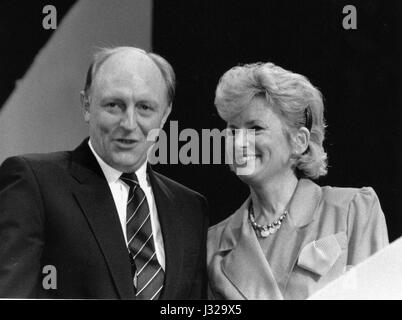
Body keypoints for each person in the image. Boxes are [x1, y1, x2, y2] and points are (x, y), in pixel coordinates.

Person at [0, 46, 208, 299]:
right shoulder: (35, 182)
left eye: (144, 107)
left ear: (164, 116)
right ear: (86, 105)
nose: (129, 124)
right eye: (114, 105)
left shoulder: (189, 207)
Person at [207, 62, 389, 300]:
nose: (239, 142)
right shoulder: (213, 245)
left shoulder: (353, 209)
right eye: (232, 130)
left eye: (256, 128)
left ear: (299, 141)